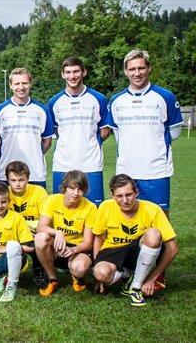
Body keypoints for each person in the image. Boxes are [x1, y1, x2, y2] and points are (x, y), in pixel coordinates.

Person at [104, 49, 183, 215]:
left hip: (157, 170)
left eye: (141, 68)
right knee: (128, 214)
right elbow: (118, 135)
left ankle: (160, 242)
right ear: (126, 71)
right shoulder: (116, 100)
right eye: (132, 69)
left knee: (160, 215)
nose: (137, 73)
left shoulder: (165, 97)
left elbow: (174, 132)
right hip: (127, 169)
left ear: (149, 68)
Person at [91, 174, 178, 306]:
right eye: (119, 196)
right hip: (112, 250)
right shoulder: (105, 207)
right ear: (112, 195)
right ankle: (127, 275)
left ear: (136, 192)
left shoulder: (152, 209)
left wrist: (152, 279)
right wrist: (96, 270)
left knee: (153, 234)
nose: (125, 200)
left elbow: (172, 248)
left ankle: (136, 287)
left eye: (129, 194)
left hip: (137, 250)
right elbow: (98, 239)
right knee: (101, 273)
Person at [47, 57, 109, 205]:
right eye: (68, 72)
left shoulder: (98, 99)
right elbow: (56, 131)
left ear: (84, 72)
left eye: (76, 71)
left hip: (91, 164)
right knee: (62, 209)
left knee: (94, 209)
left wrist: (89, 143)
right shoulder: (54, 101)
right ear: (62, 74)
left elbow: (105, 131)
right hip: (63, 164)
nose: (72, 76)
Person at [34, 170, 97, 297]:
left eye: (80, 189)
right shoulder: (52, 200)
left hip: (78, 249)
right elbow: (40, 227)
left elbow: (88, 243)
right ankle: (52, 279)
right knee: (40, 238)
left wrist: (73, 250)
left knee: (80, 268)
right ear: (64, 187)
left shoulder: (90, 207)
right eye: (72, 188)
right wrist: (58, 232)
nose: (76, 193)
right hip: (57, 246)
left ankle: (77, 276)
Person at [0, 68, 54, 187]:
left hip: (35, 173)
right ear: (11, 85)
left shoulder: (43, 110)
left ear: (30, 83)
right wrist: (5, 153)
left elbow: (47, 141)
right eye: (17, 83)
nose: (21, 87)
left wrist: (34, 154)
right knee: (4, 205)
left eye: (24, 83)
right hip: (5, 174)